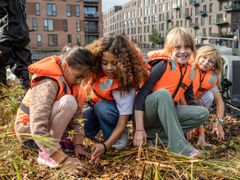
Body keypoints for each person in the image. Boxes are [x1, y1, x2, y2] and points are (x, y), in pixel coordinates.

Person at [14, 46, 95, 174]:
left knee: (70, 102)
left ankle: (55, 146)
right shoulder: (48, 83)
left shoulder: (71, 84)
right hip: (29, 134)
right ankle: (45, 155)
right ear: (65, 65)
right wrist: (62, 160)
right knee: (68, 102)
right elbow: (37, 126)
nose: (79, 82)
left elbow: (77, 119)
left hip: (44, 132)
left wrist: (78, 144)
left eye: (82, 78)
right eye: (78, 76)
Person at [133, 27, 209, 157]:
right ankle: (179, 147)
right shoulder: (162, 66)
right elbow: (139, 98)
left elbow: (191, 101)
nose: (183, 52)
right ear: (169, 49)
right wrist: (139, 129)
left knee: (203, 113)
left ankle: (156, 138)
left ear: (192, 49)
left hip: (166, 115)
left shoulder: (189, 71)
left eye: (187, 47)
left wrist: (201, 132)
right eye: (178, 48)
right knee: (163, 93)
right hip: (146, 115)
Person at [84, 35, 148, 164]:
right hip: (98, 109)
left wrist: (106, 145)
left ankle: (119, 140)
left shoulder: (125, 84)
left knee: (102, 107)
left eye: (114, 63)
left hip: (118, 116)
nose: (108, 68)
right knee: (86, 122)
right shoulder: (98, 74)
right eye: (104, 63)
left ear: (123, 63)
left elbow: (123, 121)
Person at [189, 45, 225, 146]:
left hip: (196, 105)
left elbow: (220, 102)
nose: (206, 62)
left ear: (214, 65)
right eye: (204, 57)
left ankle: (197, 125)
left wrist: (220, 122)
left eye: (211, 61)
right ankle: (190, 126)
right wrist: (201, 133)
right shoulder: (189, 69)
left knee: (210, 96)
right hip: (182, 104)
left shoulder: (211, 77)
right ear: (198, 55)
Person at [0, 0, 32, 89]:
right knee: (22, 64)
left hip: (8, 30)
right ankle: (26, 92)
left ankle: (2, 93)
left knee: (1, 61)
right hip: (22, 32)